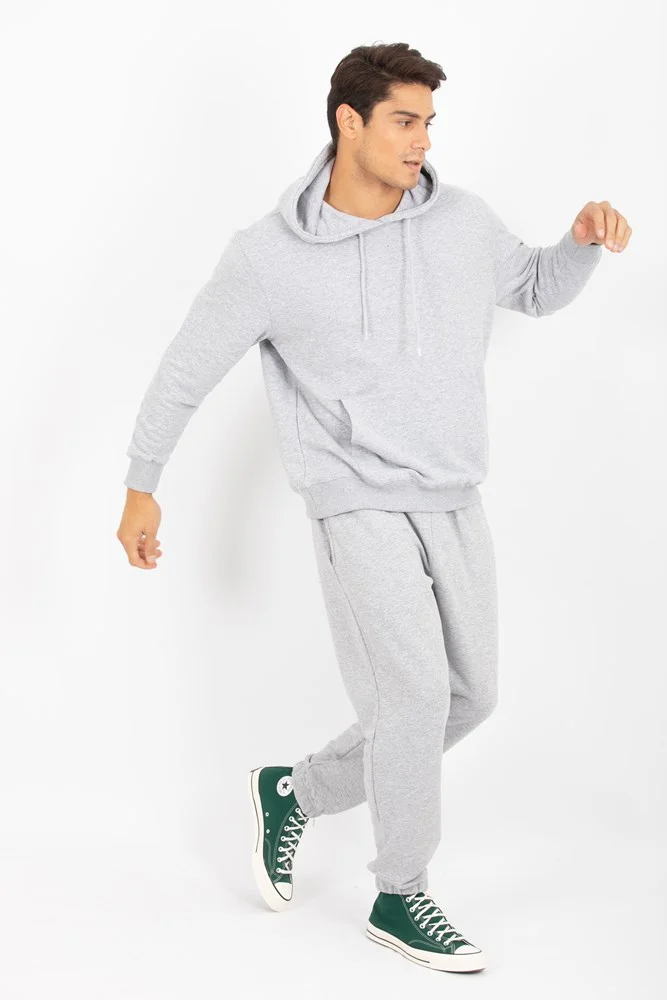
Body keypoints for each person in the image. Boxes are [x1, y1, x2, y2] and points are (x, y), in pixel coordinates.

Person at [117, 41, 631, 975]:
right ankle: (400, 892)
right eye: (403, 120)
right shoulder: (268, 257)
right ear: (347, 121)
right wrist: (142, 484)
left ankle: (293, 792)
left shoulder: (460, 221)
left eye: (428, 122)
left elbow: (533, 288)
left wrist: (581, 244)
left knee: (470, 698)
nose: (421, 140)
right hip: (352, 500)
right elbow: (185, 369)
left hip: (453, 492)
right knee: (412, 698)